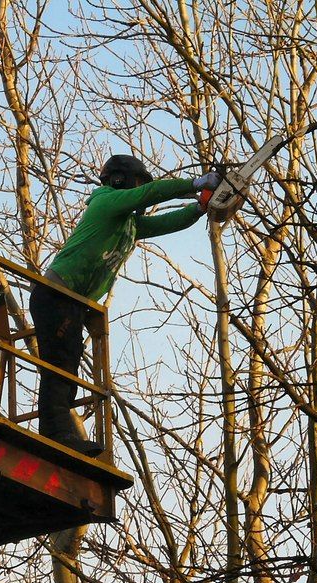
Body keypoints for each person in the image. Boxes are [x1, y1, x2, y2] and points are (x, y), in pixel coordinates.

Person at [29, 154, 221, 456]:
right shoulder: (105, 202)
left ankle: (60, 430)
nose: (141, 190)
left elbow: (167, 222)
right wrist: (195, 182)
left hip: (74, 301)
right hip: (56, 293)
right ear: (121, 180)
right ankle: (56, 432)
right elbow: (150, 193)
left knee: (68, 363)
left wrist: (198, 207)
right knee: (61, 365)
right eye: (138, 183)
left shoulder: (129, 223)